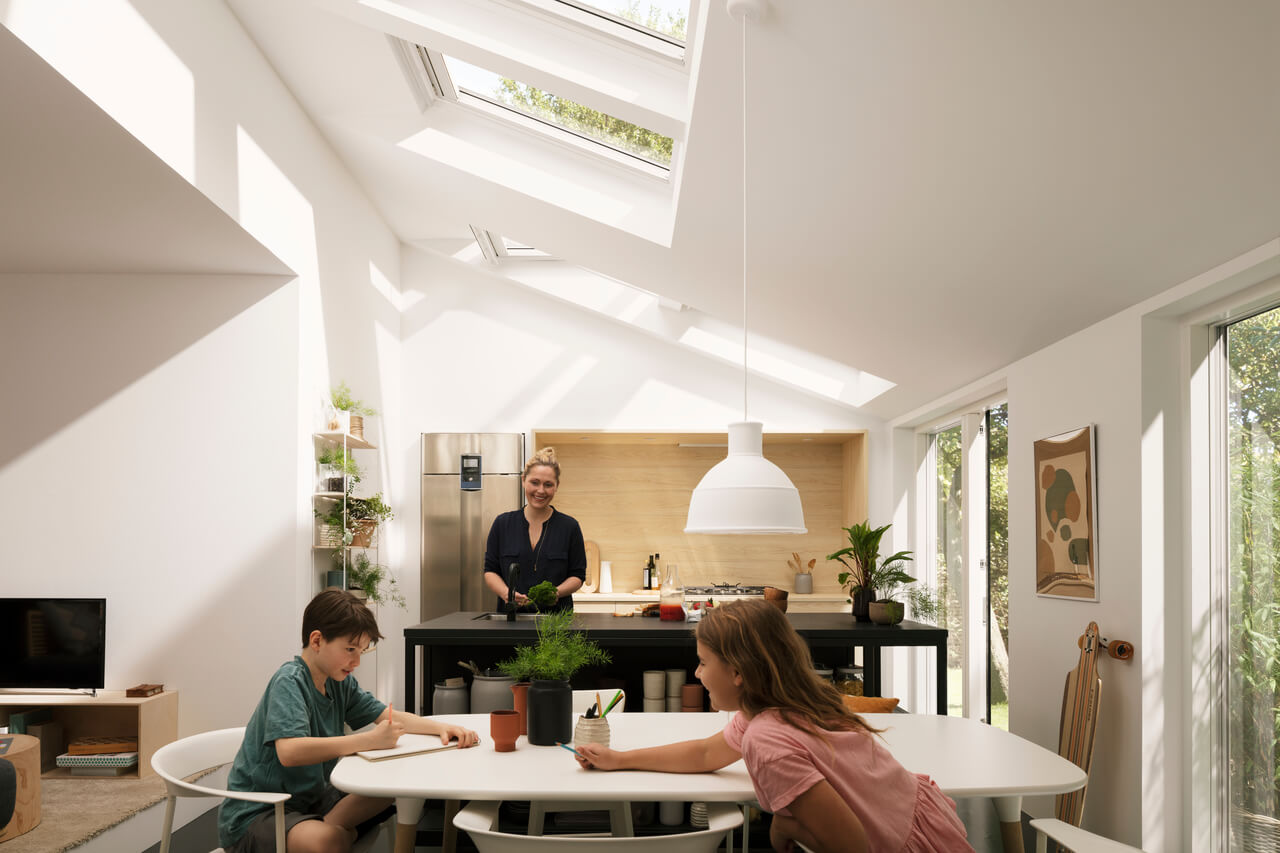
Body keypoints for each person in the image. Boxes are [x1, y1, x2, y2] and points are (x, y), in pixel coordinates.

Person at [573, 599, 973, 853]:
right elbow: (706, 753)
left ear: (738, 673)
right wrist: (620, 758)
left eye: (703, 662)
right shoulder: (786, 704)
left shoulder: (768, 739)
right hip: (921, 824)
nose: (696, 674)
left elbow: (851, 846)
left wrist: (785, 823)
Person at [218, 590, 479, 853]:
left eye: (362, 651)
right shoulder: (290, 681)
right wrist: (368, 741)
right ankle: (333, 832)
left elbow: (388, 716)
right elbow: (290, 751)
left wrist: (442, 728)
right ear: (317, 640)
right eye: (350, 649)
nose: (356, 661)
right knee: (328, 841)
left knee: (398, 783)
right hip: (259, 812)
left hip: (313, 801)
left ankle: (331, 827)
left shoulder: (337, 681)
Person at [483, 446, 586, 613]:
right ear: (524, 480)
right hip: (511, 620)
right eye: (534, 482)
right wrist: (506, 593)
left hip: (556, 623)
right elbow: (490, 571)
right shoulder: (502, 524)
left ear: (557, 486)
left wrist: (557, 593)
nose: (541, 491)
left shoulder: (569, 527)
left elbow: (577, 576)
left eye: (548, 484)